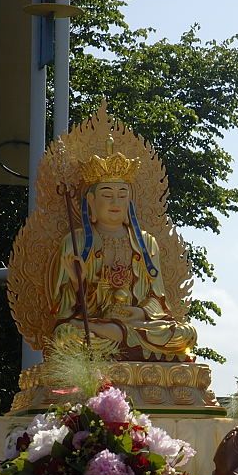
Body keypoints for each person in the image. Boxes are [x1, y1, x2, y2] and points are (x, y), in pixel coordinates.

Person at [52, 143, 197, 361]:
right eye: (107, 194)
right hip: (94, 324)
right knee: (65, 337)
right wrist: (77, 283)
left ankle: (121, 337)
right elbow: (63, 311)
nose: (115, 202)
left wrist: (139, 313)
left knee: (186, 335)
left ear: (130, 201)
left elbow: (157, 298)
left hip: (137, 324)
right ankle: (119, 338)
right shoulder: (75, 243)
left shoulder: (147, 243)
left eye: (122, 195)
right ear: (91, 201)